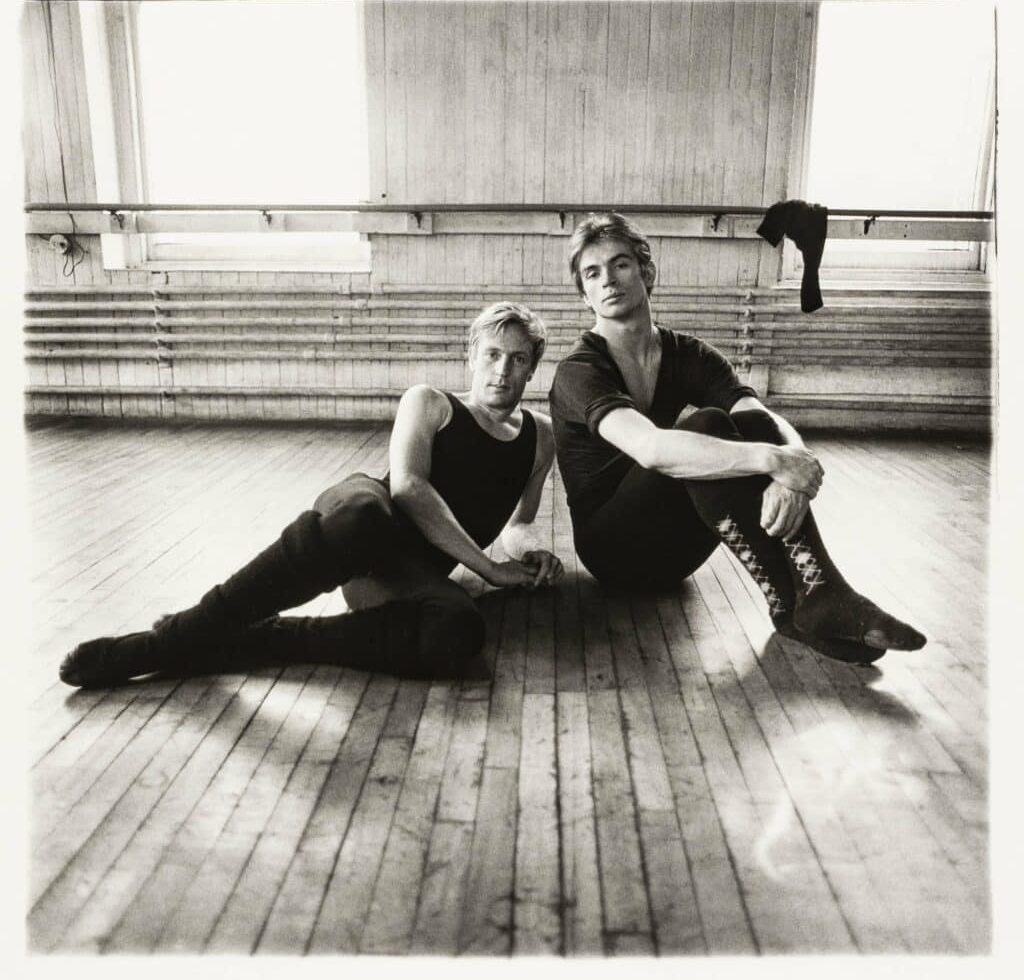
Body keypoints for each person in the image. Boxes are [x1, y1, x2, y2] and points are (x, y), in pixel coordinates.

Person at [59, 302, 563, 689]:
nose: (502, 370)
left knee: (459, 630)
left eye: (518, 360)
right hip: (366, 512)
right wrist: (490, 569)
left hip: (400, 573)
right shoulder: (430, 402)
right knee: (364, 518)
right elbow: (409, 488)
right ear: (471, 355)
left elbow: (519, 523)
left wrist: (530, 555)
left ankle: (264, 640)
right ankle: (167, 641)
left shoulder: (540, 436)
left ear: (532, 369)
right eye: (493, 355)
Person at [548, 213, 926, 664]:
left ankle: (798, 608)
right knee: (708, 427)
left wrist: (793, 465)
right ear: (584, 292)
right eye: (593, 273)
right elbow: (650, 449)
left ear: (646, 272)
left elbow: (763, 418)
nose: (608, 279)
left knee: (752, 428)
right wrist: (773, 461)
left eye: (620, 264)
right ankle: (822, 594)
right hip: (614, 552)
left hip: (678, 557)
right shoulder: (579, 369)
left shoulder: (686, 353)